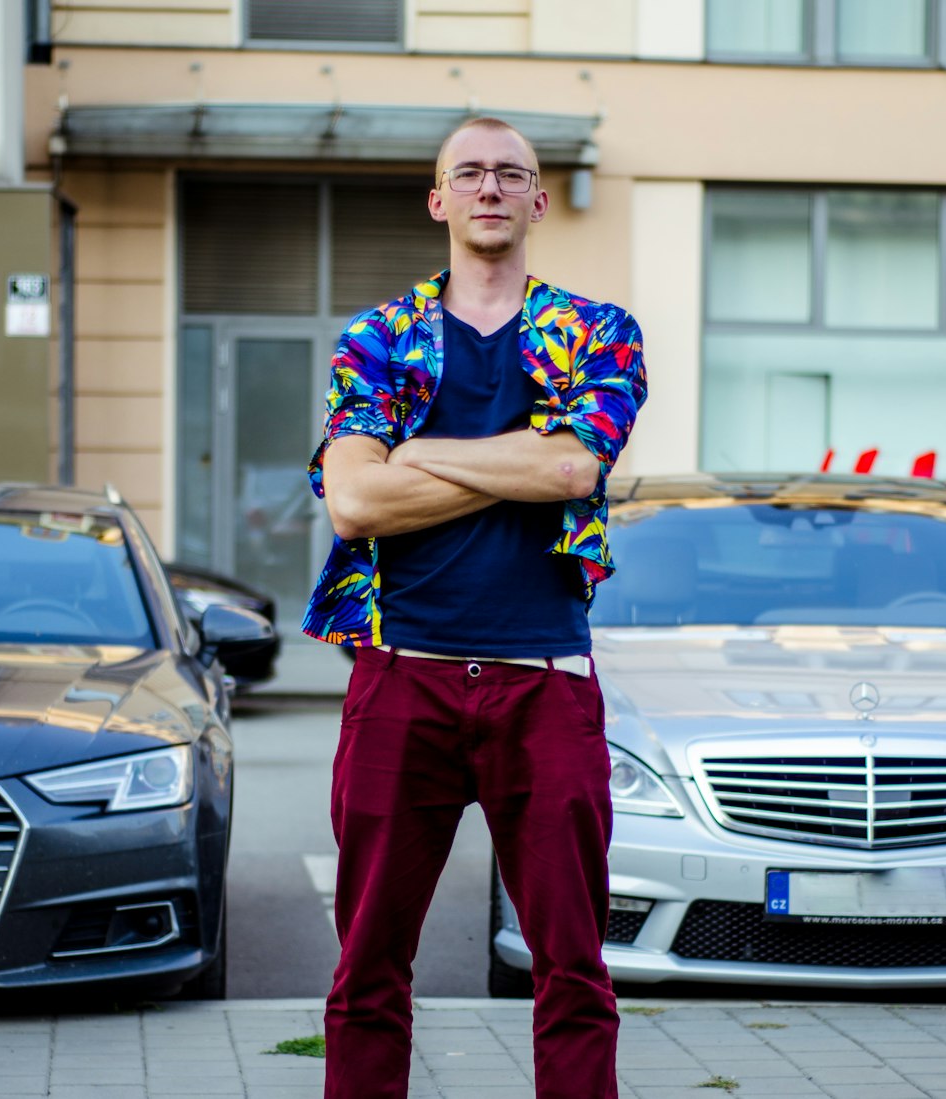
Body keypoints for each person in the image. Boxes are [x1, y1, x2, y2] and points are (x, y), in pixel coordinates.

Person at [302, 116, 648, 1099]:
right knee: (368, 966)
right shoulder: (376, 338)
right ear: (438, 199)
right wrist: (520, 463)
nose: (489, 187)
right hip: (399, 674)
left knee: (571, 970)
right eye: (469, 172)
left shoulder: (599, 332)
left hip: (544, 682)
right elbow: (357, 501)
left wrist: (415, 454)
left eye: (510, 173)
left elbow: (577, 462)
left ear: (538, 199)